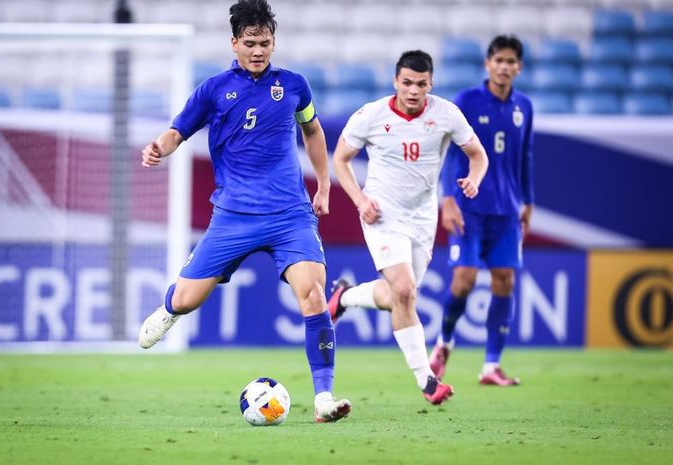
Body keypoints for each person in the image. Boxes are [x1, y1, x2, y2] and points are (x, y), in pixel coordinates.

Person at [138, 0, 351, 423]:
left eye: (265, 43)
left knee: (312, 294)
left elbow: (312, 129)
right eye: (250, 43)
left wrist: (324, 183)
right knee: (186, 299)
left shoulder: (294, 86)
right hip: (233, 215)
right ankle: (169, 309)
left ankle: (324, 398)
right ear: (234, 43)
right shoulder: (214, 90)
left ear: (274, 43)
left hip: (290, 214)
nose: (258, 51)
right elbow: (178, 130)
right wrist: (159, 147)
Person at [327, 50, 489, 405]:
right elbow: (339, 160)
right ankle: (428, 381)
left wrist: (474, 179)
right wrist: (360, 200)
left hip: (423, 219)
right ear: (395, 82)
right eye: (406, 83)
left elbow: (479, 154)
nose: (413, 91)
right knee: (404, 290)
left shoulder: (446, 114)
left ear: (431, 84)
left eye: (421, 84)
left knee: (398, 295)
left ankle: (345, 296)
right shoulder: (371, 115)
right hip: (381, 213)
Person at [429, 35, 534, 386]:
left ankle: (491, 365)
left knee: (506, 279)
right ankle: (444, 342)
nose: (504, 66)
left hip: (506, 211)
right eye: (498, 60)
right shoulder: (467, 102)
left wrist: (528, 201)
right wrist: (447, 199)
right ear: (488, 64)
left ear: (518, 67)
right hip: (469, 206)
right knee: (465, 279)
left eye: (511, 61)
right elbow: (451, 153)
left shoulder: (524, 107)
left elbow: (525, 157)